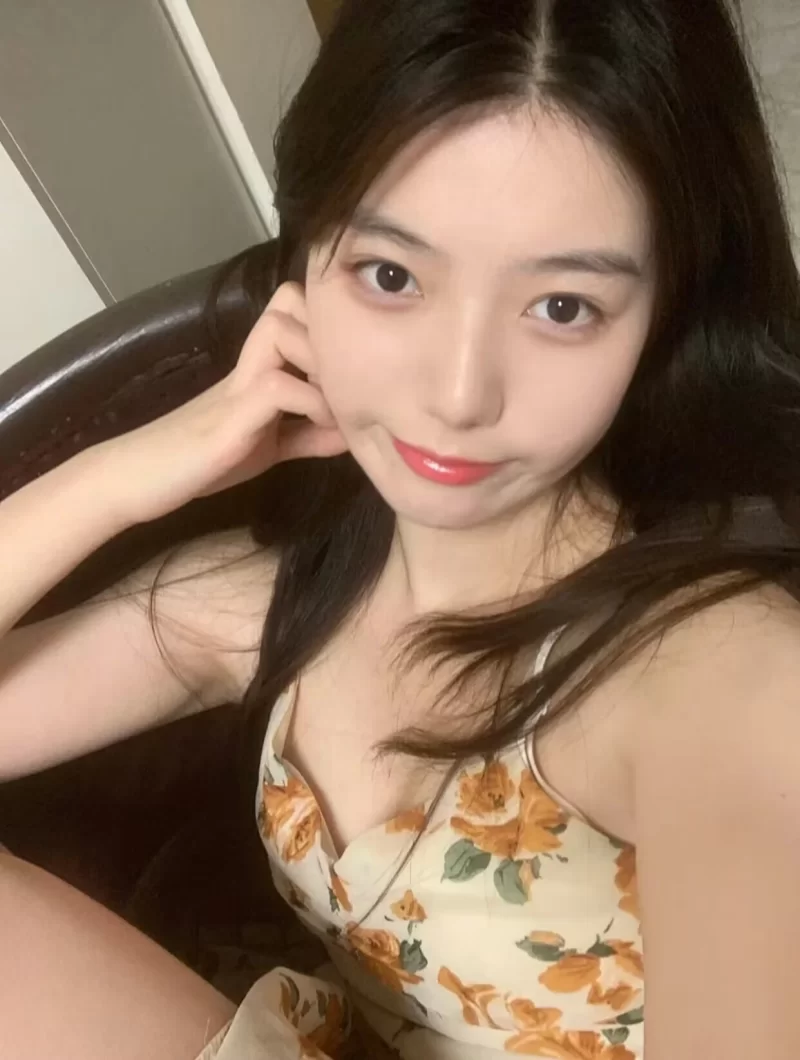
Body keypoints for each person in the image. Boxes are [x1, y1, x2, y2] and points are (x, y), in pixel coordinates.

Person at [2, 0, 800, 1056]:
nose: (458, 395)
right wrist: (123, 473)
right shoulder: (259, 605)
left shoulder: (714, 676)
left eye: (563, 306)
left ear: (662, 316)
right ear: (305, 264)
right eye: (390, 276)